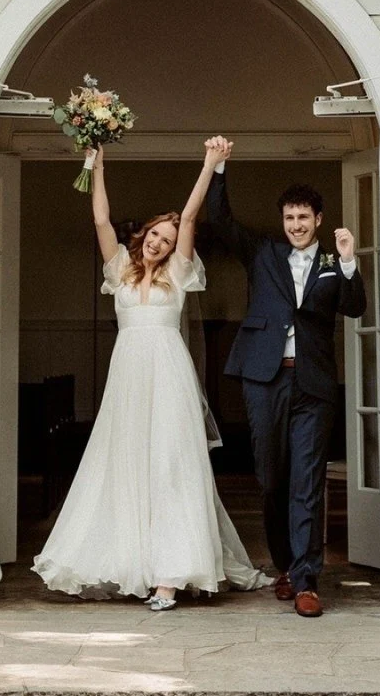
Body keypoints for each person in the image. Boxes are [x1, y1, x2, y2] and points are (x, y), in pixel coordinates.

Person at [34, 139, 266, 607]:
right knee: (125, 465)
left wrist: (208, 166)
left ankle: (169, 576)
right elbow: (101, 219)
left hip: (168, 375)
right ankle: (133, 562)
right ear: (143, 237)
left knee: (170, 467)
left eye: (167, 237)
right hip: (128, 378)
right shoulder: (119, 268)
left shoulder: (179, 273)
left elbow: (192, 215)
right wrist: (97, 165)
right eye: (155, 235)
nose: (160, 242)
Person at [205, 144, 365, 619]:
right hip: (264, 379)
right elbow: (220, 219)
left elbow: (355, 307)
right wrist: (218, 167)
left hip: (313, 385)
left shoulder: (334, 263)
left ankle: (308, 579)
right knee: (272, 478)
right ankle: (285, 566)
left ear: (318, 219)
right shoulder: (263, 252)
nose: (296, 225)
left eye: (303, 217)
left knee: (306, 481)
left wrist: (350, 260)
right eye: (289, 217)